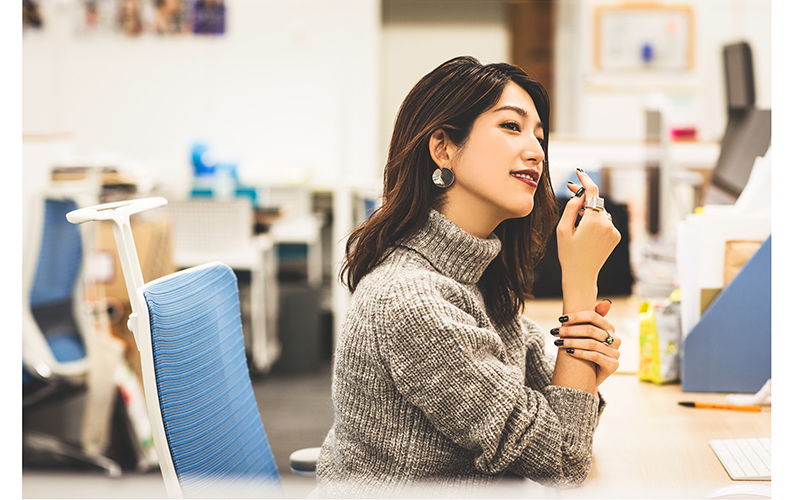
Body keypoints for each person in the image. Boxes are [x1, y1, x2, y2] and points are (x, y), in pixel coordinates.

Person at [315, 56, 622, 498]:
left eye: (539, 135)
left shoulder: (473, 277)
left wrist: (584, 355)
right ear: (443, 148)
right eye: (511, 127)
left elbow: (558, 418)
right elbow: (562, 462)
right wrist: (580, 283)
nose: (536, 151)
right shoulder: (412, 300)